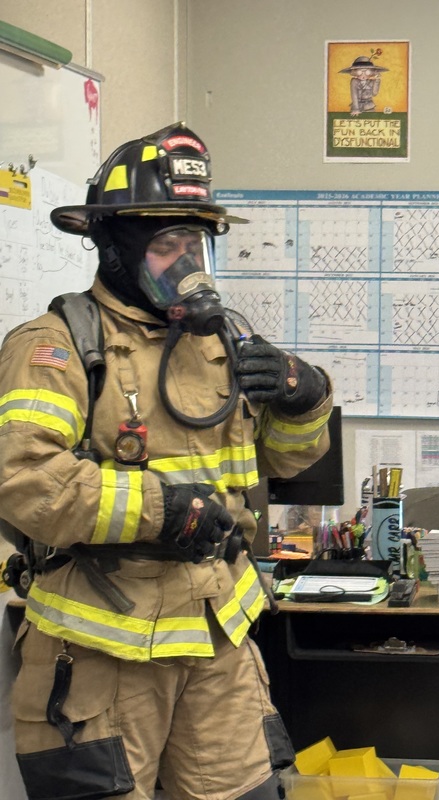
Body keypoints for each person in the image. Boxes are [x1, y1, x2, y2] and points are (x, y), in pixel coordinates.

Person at [0, 122, 333, 800]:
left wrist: (306, 397)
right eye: (165, 245)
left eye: (195, 243)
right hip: (104, 653)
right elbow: (25, 481)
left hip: (217, 643)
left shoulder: (224, 341)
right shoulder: (56, 346)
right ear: (116, 249)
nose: (186, 263)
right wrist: (162, 511)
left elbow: (284, 462)